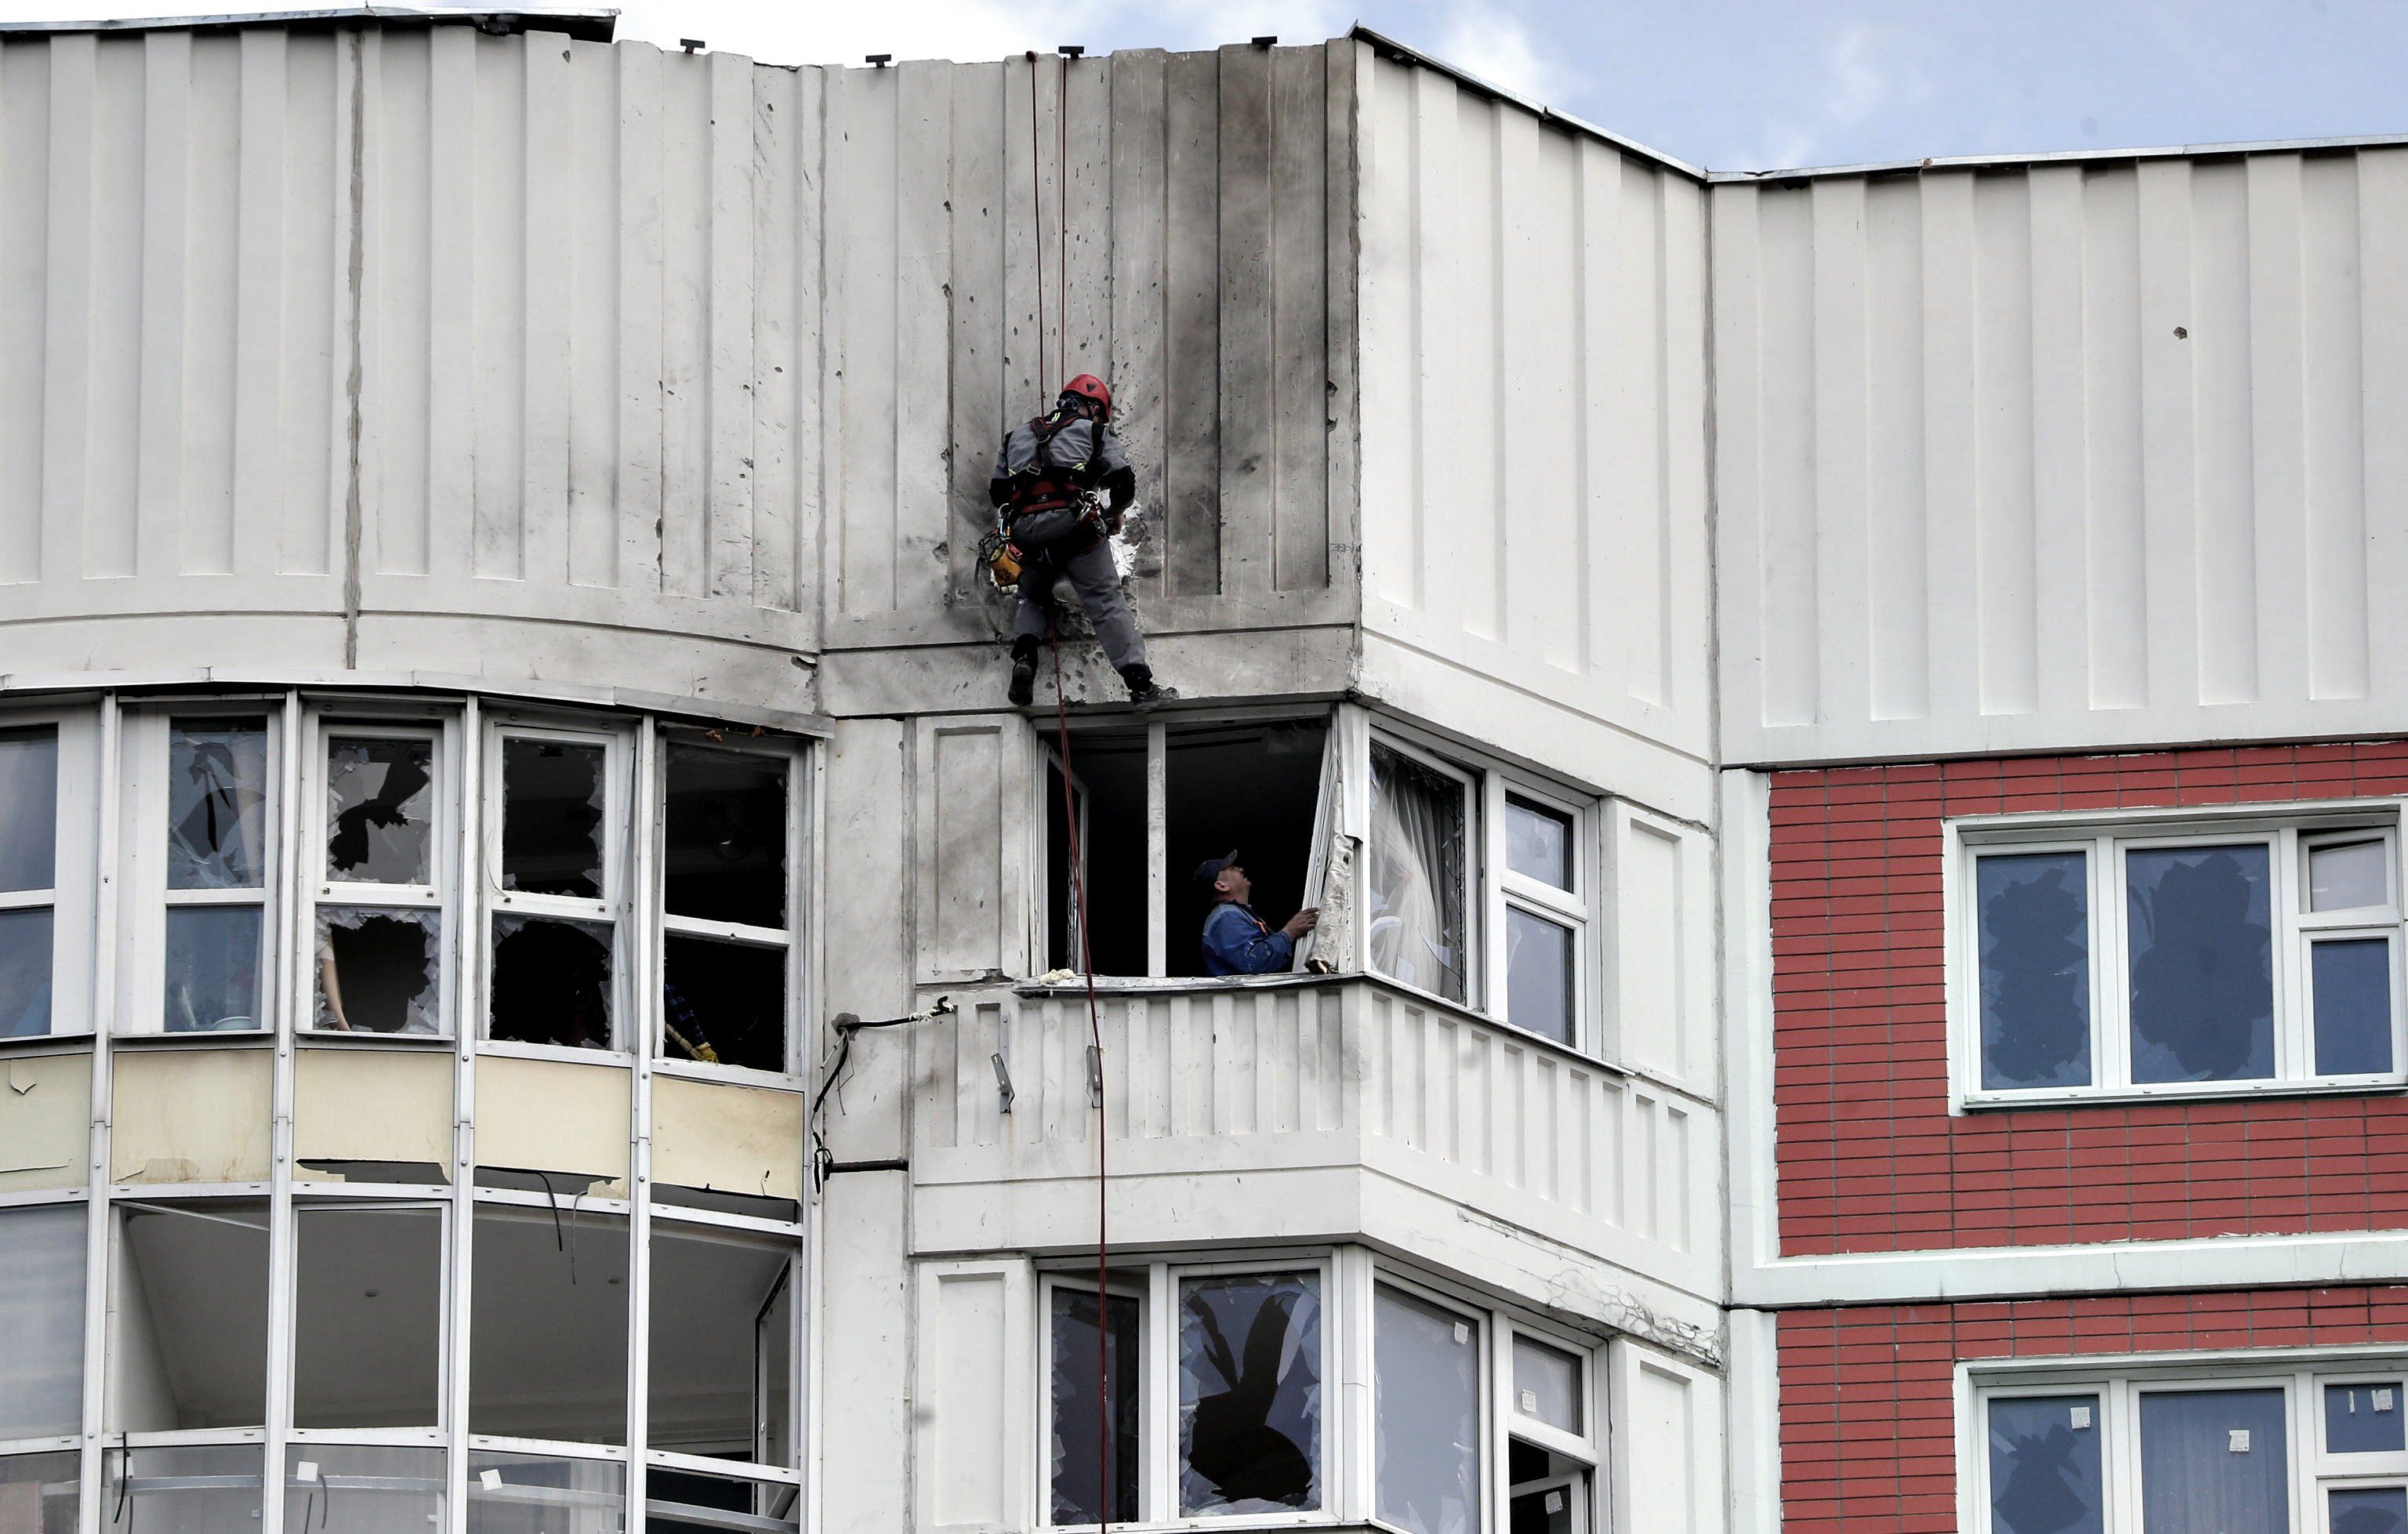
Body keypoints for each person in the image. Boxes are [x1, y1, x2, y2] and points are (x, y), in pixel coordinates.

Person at [992, 375, 1173, 709]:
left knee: (1033, 599)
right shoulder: (1095, 431)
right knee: (1105, 602)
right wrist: (1116, 512)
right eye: (1098, 414)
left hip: (1025, 537)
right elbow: (1123, 482)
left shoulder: (1014, 437)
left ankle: (1025, 659)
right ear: (1092, 407)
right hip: (1075, 530)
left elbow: (998, 493)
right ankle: (1140, 685)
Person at [1194, 850, 1318, 976]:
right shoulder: (1226, 917)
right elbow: (1254, 962)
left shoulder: (1236, 914)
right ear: (1222, 886)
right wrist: (1290, 932)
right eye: (1232, 869)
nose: (1241, 869)